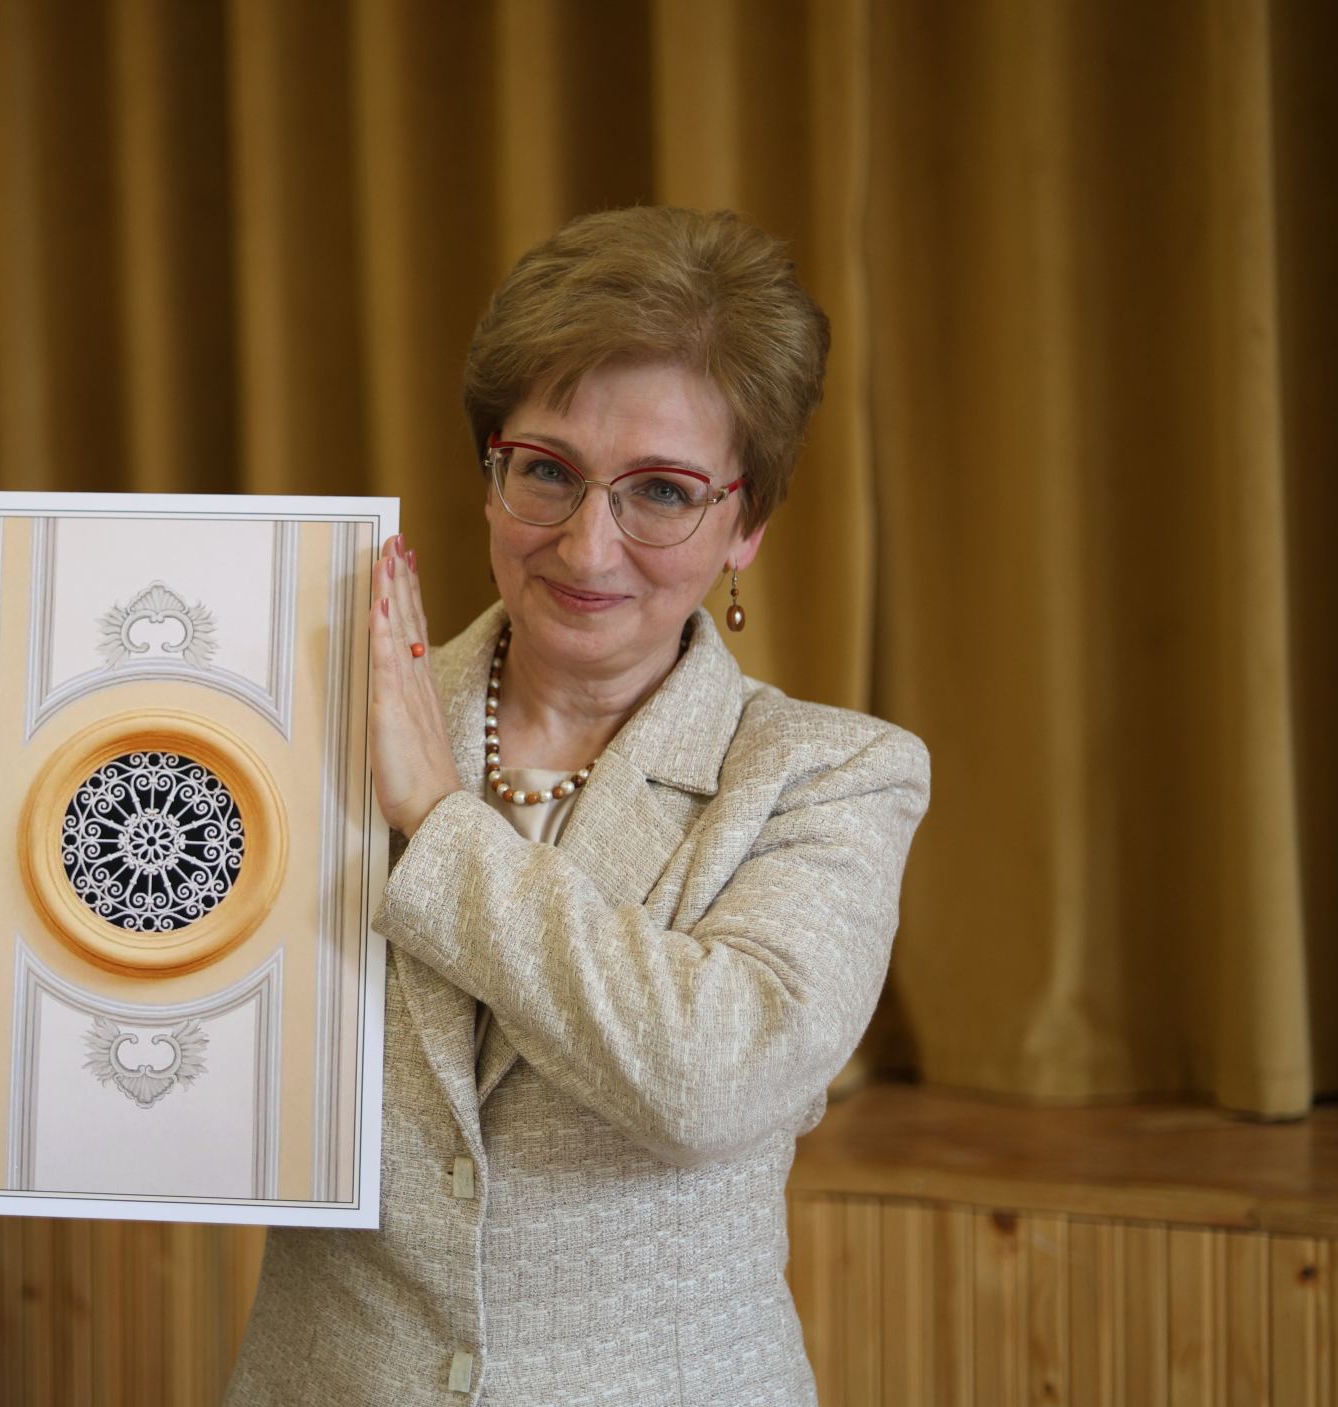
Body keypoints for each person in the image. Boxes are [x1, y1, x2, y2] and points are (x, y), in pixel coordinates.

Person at [222, 206, 929, 1404]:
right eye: (546, 472)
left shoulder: (831, 773)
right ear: (491, 473)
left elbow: (710, 1083)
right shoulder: (299, 726)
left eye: (660, 492)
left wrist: (437, 821)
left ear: (746, 524)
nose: (587, 547)